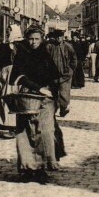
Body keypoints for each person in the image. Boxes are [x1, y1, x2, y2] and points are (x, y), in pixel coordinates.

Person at [10, 26, 63, 183]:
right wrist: (37, 88)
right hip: (27, 96)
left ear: (42, 38)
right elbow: (17, 75)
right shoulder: (22, 54)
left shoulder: (46, 54)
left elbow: (55, 75)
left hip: (46, 98)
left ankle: (40, 167)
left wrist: (54, 93)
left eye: (36, 39)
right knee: (24, 132)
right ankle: (27, 167)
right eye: (30, 39)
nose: (33, 42)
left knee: (44, 131)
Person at [46, 29, 77, 117]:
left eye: (60, 37)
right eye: (57, 37)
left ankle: (64, 108)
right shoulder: (50, 47)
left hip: (65, 75)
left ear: (63, 37)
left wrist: (71, 70)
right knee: (54, 93)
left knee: (64, 93)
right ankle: (54, 108)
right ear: (55, 38)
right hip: (53, 75)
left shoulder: (68, 46)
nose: (59, 39)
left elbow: (74, 59)